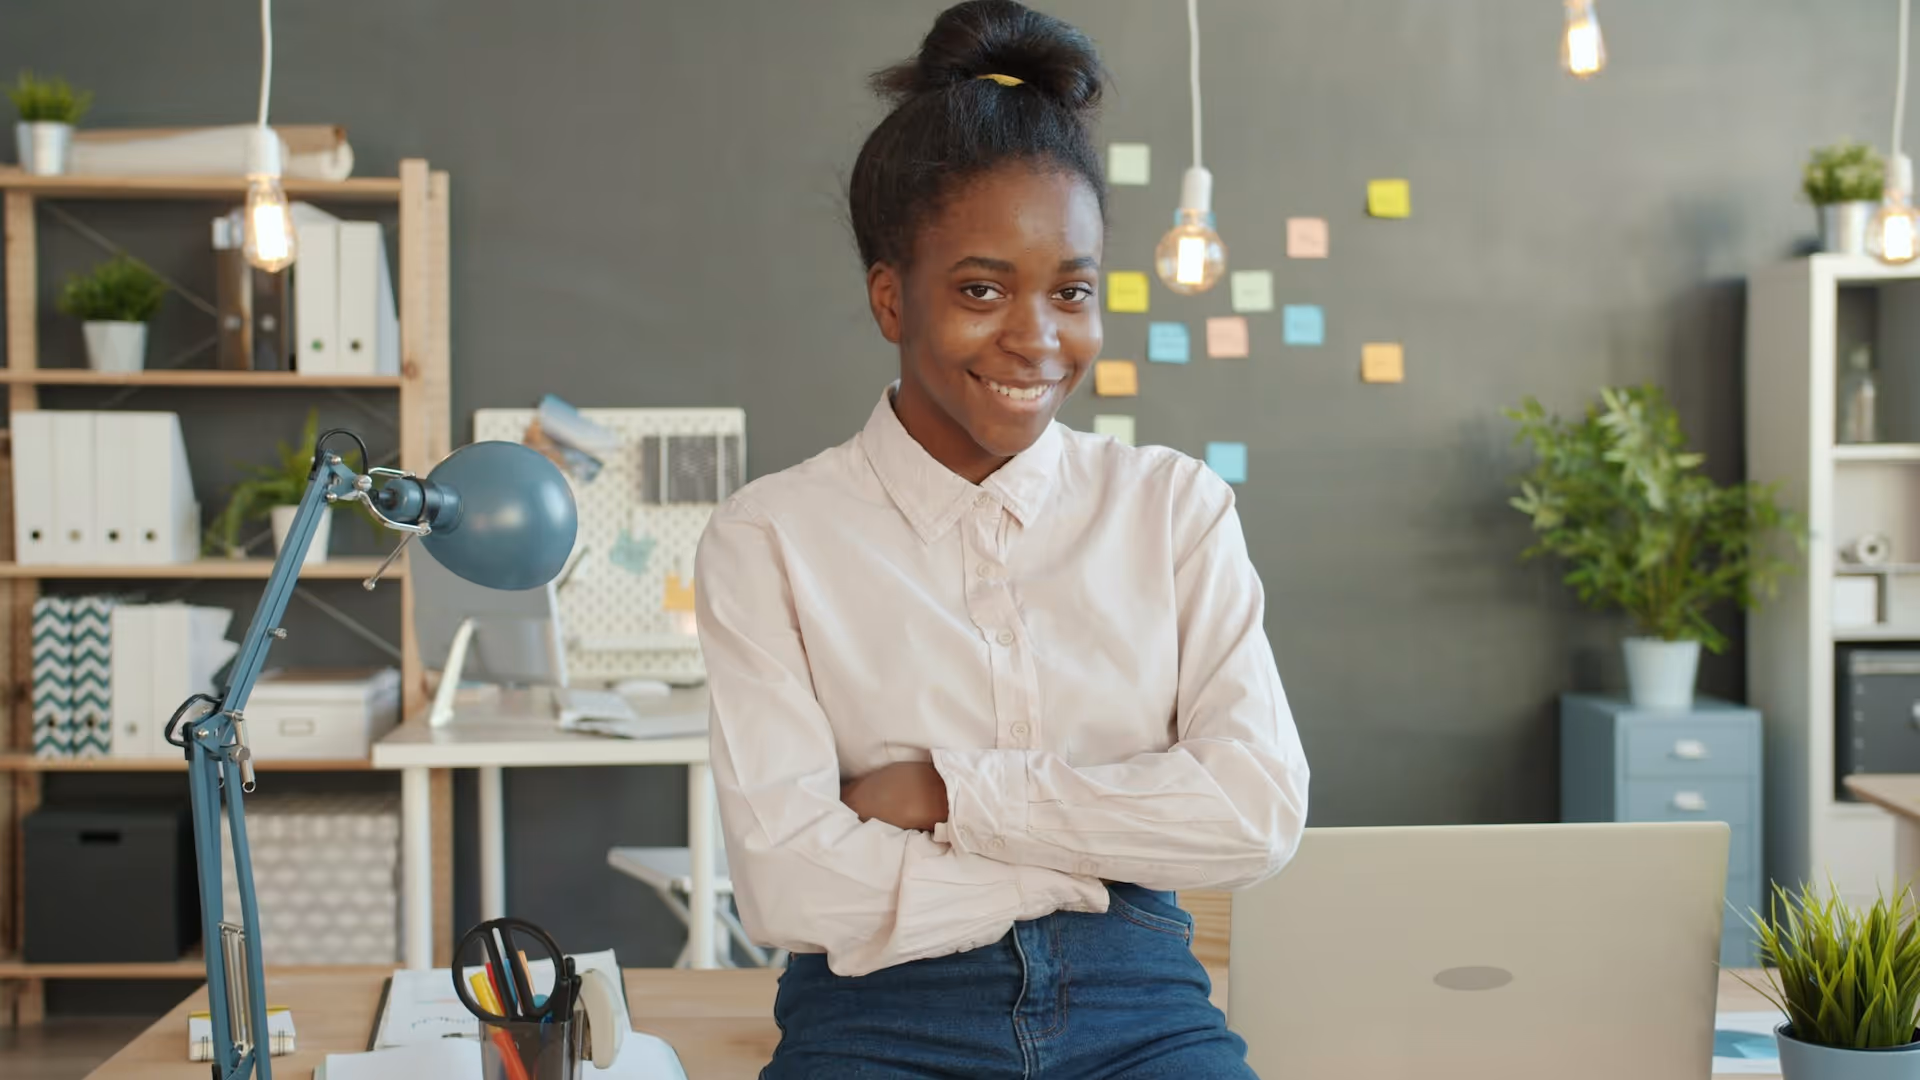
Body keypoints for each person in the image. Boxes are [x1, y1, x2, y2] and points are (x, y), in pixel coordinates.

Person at [693, 2, 1309, 1075]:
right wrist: (1081, 866)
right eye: (982, 290)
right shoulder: (770, 539)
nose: (1036, 338)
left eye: (1071, 291)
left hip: (1142, 1006)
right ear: (893, 299)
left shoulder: (1174, 509)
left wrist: (947, 794)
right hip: (880, 1015)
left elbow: (1254, 815)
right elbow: (790, 884)